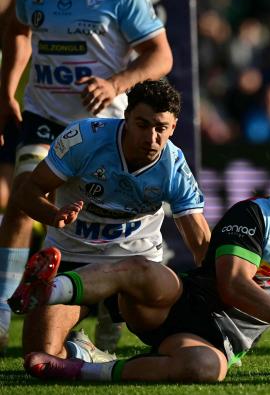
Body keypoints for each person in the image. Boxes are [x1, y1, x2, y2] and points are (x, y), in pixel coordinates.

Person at [11, 141, 270, 382]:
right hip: (177, 305)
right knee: (144, 269)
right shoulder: (253, 214)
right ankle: (48, 290)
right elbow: (233, 285)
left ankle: (80, 367)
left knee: (207, 370)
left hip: (214, 341)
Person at [0, 0, 173, 354]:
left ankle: (111, 313)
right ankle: (2, 310)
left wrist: (115, 83)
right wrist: (7, 89)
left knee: (109, 221)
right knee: (21, 200)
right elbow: (16, 30)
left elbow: (161, 54)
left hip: (102, 126)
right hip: (44, 117)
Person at [8, 79, 209, 366]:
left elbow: (201, 242)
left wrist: (221, 299)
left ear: (173, 127)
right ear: (125, 117)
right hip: (73, 258)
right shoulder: (83, 139)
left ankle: (114, 314)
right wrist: (54, 215)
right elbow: (27, 192)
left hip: (135, 266)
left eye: (160, 128)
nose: (151, 137)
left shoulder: (173, 165)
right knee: (40, 357)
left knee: (187, 346)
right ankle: (86, 350)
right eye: (142, 124)